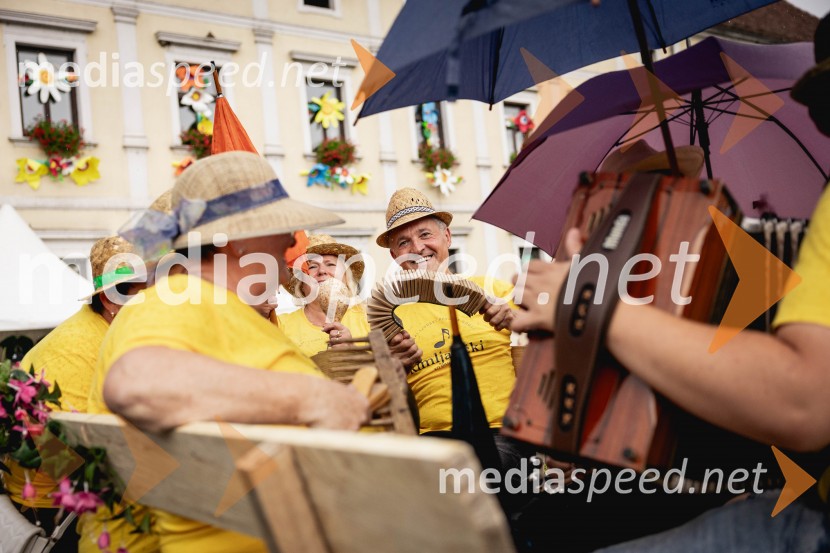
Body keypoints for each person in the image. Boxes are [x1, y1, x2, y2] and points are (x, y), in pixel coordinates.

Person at [512, 15, 830, 552]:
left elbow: (793, 404)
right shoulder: (605, 264)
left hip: (720, 481)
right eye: (612, 201)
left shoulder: (727, 259)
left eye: (648, 195)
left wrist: (591, 306)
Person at [86, 151, 369, 553]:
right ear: (239, 241)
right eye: (281, 227)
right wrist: (316, 396)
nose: (292, 242)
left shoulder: (210, 306)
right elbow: (137, 383)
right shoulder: (178, 296)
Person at [5, 235, 156, 553]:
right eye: (143, 293)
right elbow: (59, 454)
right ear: (111, 300)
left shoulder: (109, 334)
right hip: (55, 512)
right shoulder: (75, 349)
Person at [376, 187, 528, 469]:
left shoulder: (493, 289)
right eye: (404, 242)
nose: (417, 248)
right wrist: (397, 366)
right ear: (394, 255)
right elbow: (383, 398)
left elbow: (552, 339)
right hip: (434, 441)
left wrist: (516, 320)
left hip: (503, 433)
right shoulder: (388, 314)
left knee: (481, 468)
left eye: (425, 234)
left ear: (447, 236)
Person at [277, 234, 370, 357]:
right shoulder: (279, 325)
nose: (321, 271)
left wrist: (352, 349)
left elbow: (390, 363)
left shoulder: (370, 317)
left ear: (346, 277)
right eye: (312, 266)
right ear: (301, 283)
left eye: (330, 264)